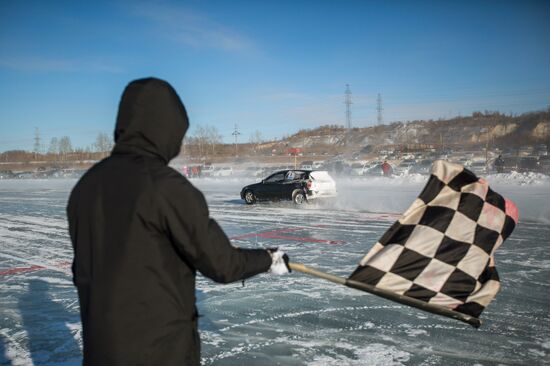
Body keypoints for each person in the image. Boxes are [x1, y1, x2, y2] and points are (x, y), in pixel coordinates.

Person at [67, 78, 290, 365]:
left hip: (101, 350)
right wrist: (268, 259)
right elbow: (221, 264)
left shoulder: (85, 187)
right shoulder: (166, 188)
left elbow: (81, 271)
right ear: (165, 128)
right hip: (160, 351)